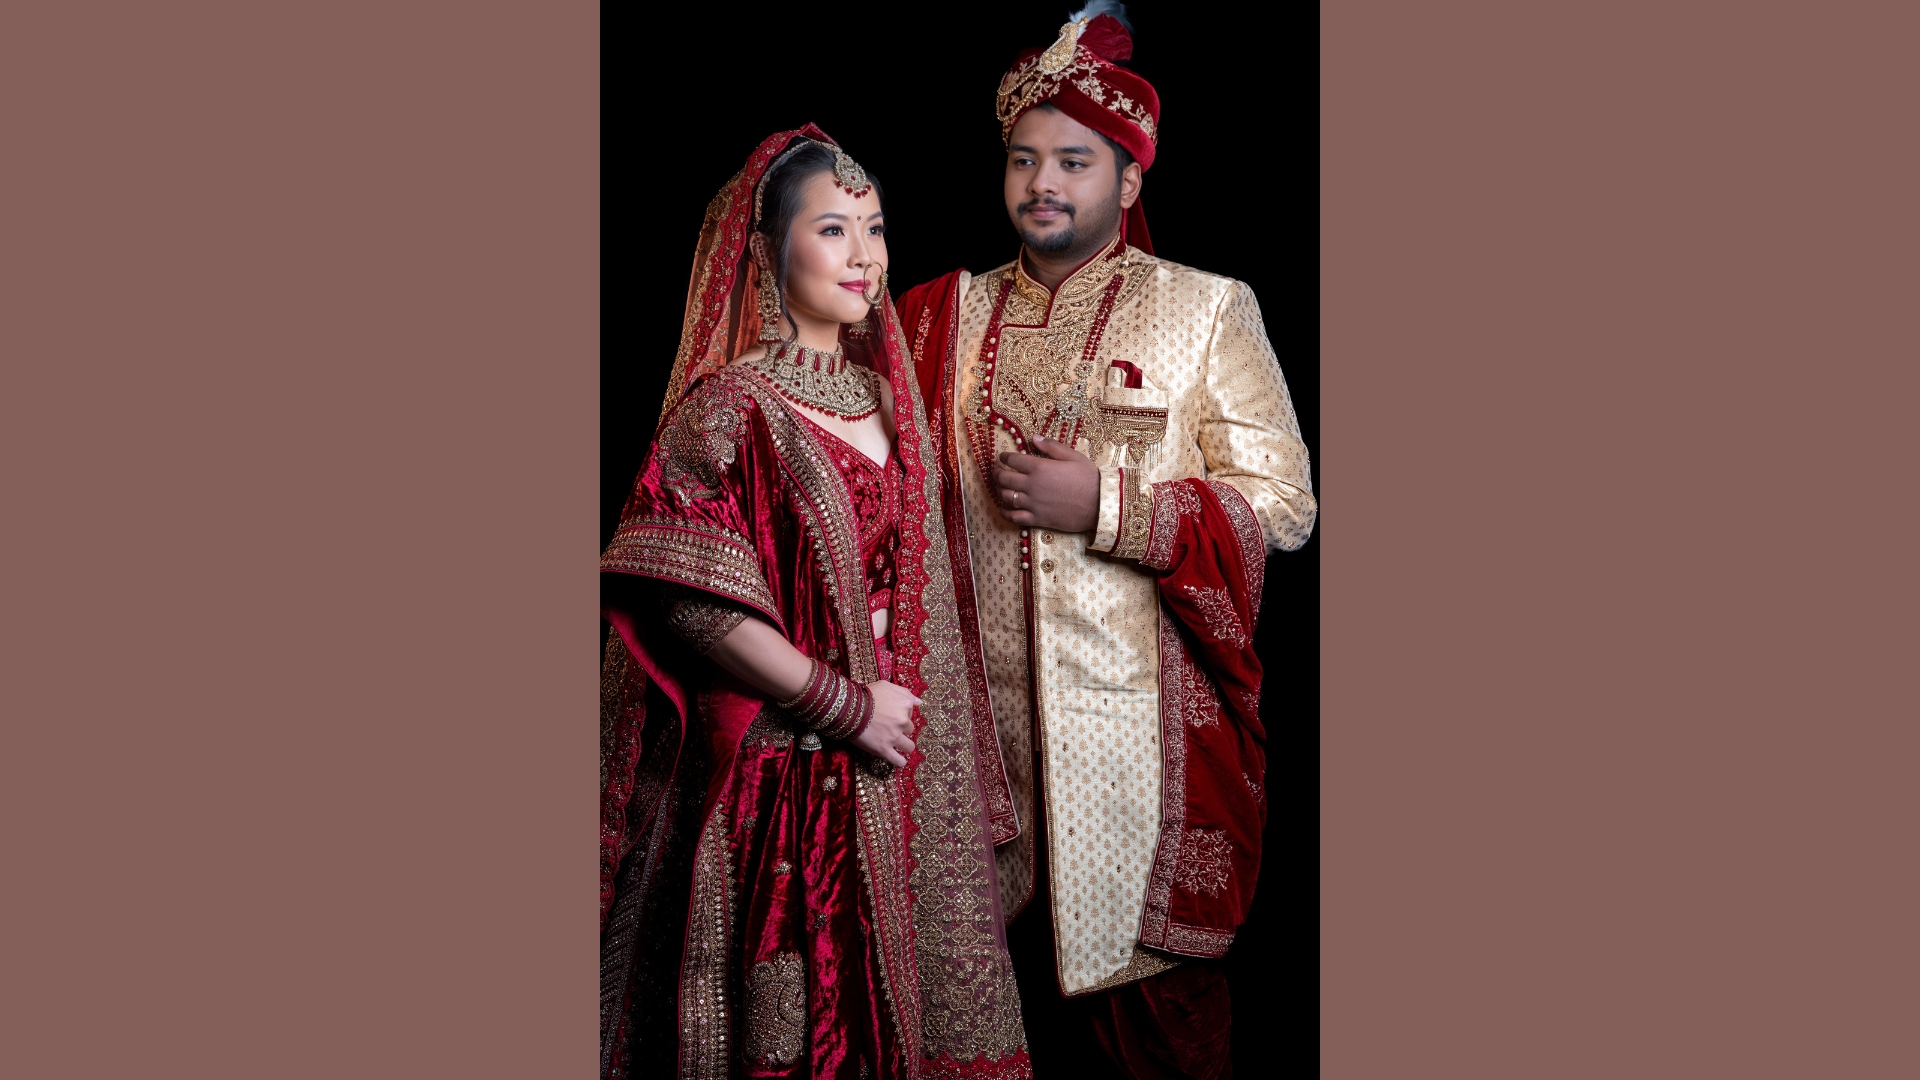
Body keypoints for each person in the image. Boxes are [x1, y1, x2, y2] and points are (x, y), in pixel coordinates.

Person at [894, 5, 1318, 1078]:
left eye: (1075, 161)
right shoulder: (934, 317)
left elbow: (1284, 504)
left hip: (1140, 777)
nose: (1045, 182)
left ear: (1127, 181)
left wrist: (1113, 508)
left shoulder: (1208, 308)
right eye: (1025, 158)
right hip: (966, 778)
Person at [598, 127, 1030, 1080]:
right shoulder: (731, 406)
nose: (864, 256)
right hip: (787, 768)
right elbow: (691, 606)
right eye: (833, 230)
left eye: (874, 230)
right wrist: (842, 706)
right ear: (765, 249)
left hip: (896, 762)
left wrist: (893, 721)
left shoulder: (892, 400)